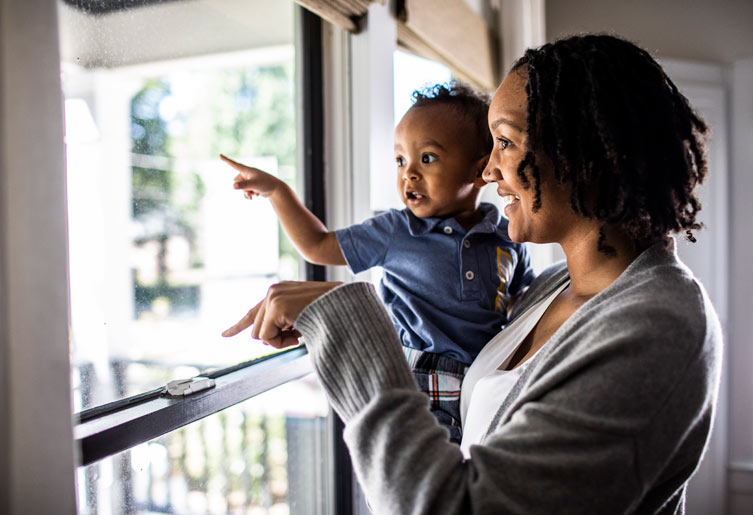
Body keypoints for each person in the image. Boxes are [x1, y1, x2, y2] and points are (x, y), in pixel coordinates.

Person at [223, 34, 723, 514]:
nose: (487, 172)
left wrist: (349, 322)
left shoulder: (656, 328)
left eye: (504, 142)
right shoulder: (550, 290)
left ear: (587, 154)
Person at [221, 82, 535, 443]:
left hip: (484, 377)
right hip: (415, 373)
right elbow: (318, 244)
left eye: (427, 158)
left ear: (480, 170)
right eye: (400, 160)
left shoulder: (504, 234)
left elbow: (522, 303)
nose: (408, 174)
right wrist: (279, 193)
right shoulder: (397, 229)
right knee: (425, 476)